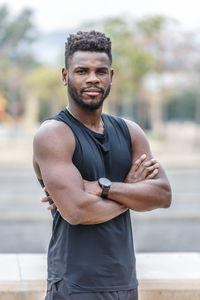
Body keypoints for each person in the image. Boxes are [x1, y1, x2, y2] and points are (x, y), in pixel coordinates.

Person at [33, 30, 171, 300]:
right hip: (75, 285)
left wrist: (102, 187)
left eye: (101, 71)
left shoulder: (130, 132)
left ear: (111, 76)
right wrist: (130, 190)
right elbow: (77, 211)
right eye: (82, 71)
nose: (93, 78)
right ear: (65, 76)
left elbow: (163, 195)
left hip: (125, 282)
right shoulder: (54, 134)